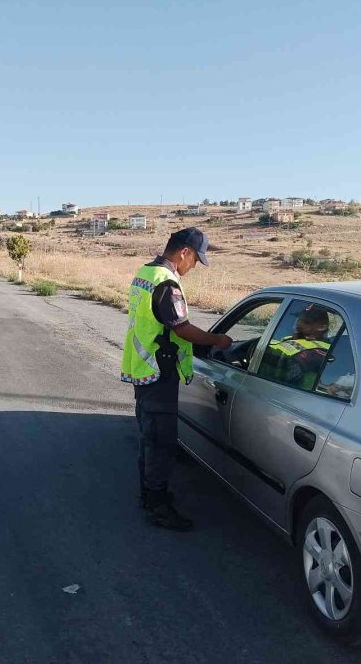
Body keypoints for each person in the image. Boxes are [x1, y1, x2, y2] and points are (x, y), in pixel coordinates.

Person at [121, 227, 233, 531]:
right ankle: (157, 506)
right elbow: (181, 328)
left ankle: (149, 494)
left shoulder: (145, 273)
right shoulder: (167, 284)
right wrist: (217, 340)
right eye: (196, 260)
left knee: (148, 436)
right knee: (160, 441)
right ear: (184, 252)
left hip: (142, 369)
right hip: (158, 372)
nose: (194, 267)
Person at [260, 305, 331, 390]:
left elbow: (286, 385)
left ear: (321, 327)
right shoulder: (297, 340)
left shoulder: (311, 354)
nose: (298, 324)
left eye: (306, 322)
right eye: (298, 319)